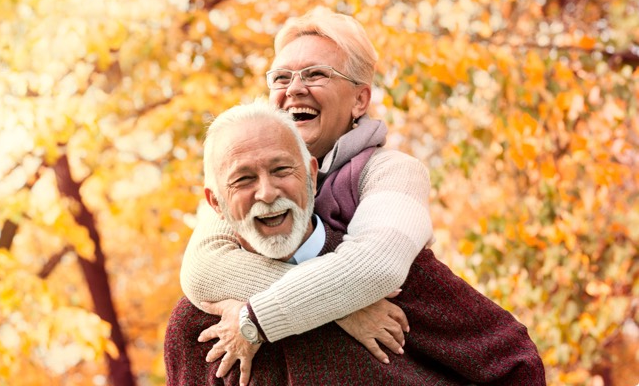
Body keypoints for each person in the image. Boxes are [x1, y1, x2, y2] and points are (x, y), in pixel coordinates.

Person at [164, 100, 545, 385]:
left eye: (282, 169)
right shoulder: (196, 325)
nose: (266, 193)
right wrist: (339, 310)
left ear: (312, 175)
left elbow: (515, 365)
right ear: (215, 202)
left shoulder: (402, 282)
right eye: (243, 179)